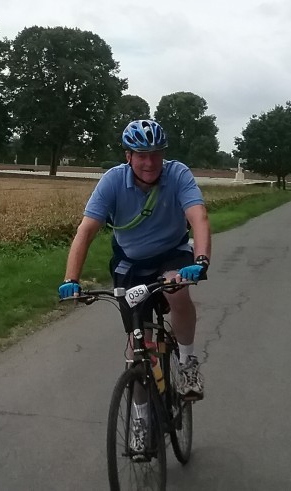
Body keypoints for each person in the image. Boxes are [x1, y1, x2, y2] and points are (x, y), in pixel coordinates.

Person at [58, 119, 211, 452]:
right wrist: (71, 279)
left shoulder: (178, 174)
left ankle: (187, 363)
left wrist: (200, 261)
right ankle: (141, 418)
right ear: (128, 156)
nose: (149, 162)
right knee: (137, 346)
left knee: (178, 289)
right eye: (141, 154)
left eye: (156, 154)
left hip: (173, 254)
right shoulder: (113, 181)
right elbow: (86, 231)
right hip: (132, 264)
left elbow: (198, 216)